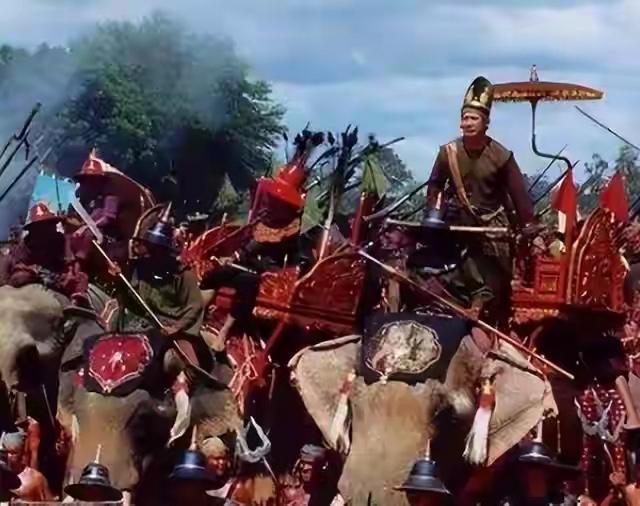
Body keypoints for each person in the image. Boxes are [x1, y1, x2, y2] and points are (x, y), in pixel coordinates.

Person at [425, 75, 537, 326]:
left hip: (493, 231)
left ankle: (495, 322)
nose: (467, 123)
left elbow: (519, 195)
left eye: (473, 118)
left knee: (496, 286)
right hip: (458, 226)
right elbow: (435, 185)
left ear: (486, 123)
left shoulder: (501, 156)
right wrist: (436, 210)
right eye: (464, 118)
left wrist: (528, 225)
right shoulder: (448, 153)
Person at [200, 179, 303, 350]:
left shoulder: (290, 229)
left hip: (265, 273)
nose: (273, 202)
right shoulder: (264, 219)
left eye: (278, 201)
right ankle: (195, 315)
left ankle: (224, 331)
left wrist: (285, 275)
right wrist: (233, 257)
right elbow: (247, 247)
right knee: (215, 274)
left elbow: (293, 259)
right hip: (245, 263)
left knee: (246, 283)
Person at [117, 204, 209, 381]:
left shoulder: (182, 273)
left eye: (158, 249)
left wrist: (177, 327)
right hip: (144, 324)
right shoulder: (140, 268)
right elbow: (131, 298)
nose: (153, 253)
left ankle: (190, 389)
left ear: (166, 250)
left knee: (188, 368)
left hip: (173, 327)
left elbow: (195, 305)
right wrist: (119, 279)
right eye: (151, 247)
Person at [0, 202, 87, 300]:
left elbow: (72, 267)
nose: (47, 230)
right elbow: (13, 276)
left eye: (50, 224)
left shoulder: (62, 241)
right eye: (40, 227)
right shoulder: (22, 249)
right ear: (32, 230)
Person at [2, 430, 54, 501]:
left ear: (21, 454)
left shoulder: (36, 478)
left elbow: (50, 502)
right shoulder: (2, 475)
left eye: (13, 453)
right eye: (6, 452)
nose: (8, 456)